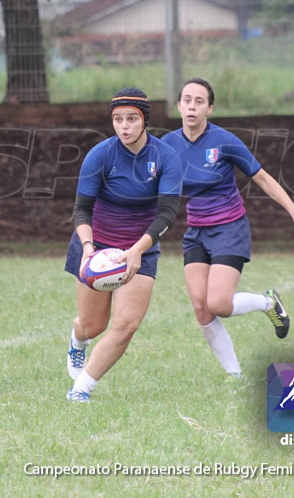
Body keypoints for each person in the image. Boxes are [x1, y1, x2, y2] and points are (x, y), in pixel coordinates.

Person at [162, 78, 294, 379]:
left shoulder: (225, 141)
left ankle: (268, 302)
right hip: (196, 233)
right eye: (187, 100)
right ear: (179, 105)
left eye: (199, 101)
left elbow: (264, 179)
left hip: (229, 230)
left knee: (218, 303)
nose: (192, 106)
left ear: (210, 108)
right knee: (201, 309)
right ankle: (235, 376)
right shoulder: (167, 146)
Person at [64, 88, 182, 402]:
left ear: (145, 121)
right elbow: (81, 209)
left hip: (140, 248)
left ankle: (81, 389)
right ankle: (78, 341)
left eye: (131, 118)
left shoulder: (166, 157)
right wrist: (88, 247)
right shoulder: (100, 155)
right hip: (96, 245)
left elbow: (168, 212)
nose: (124, 126)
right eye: (118, 119)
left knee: (126, 325)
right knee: (93, 326)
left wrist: (137, 250)